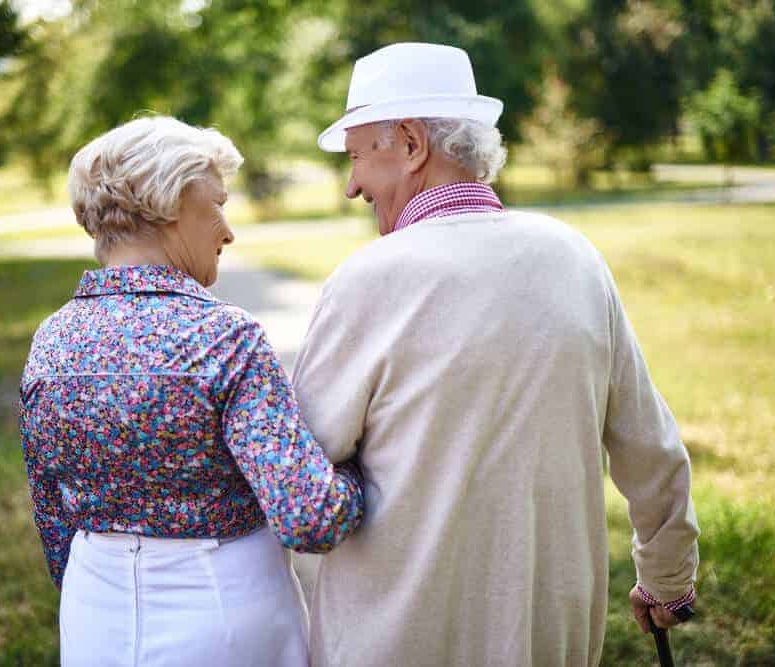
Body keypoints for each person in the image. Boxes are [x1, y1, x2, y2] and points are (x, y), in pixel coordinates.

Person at [291, 42, 699, 666]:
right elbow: (652, 449)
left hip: (398, 642)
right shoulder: (576, 259)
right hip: (549, 641)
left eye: (355, 158)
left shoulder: (367, 281)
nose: (351, 186)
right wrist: (668, 581)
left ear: (409, 142)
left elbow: (298, 473)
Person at [19, 116, 363, 667]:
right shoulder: (224, 337)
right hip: (223, 611)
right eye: (218, 205)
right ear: (171, 203)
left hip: (93, 615)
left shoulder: (51, 340)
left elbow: (52, 514)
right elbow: (310, 515)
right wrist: (360, 472)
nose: (227, 231)